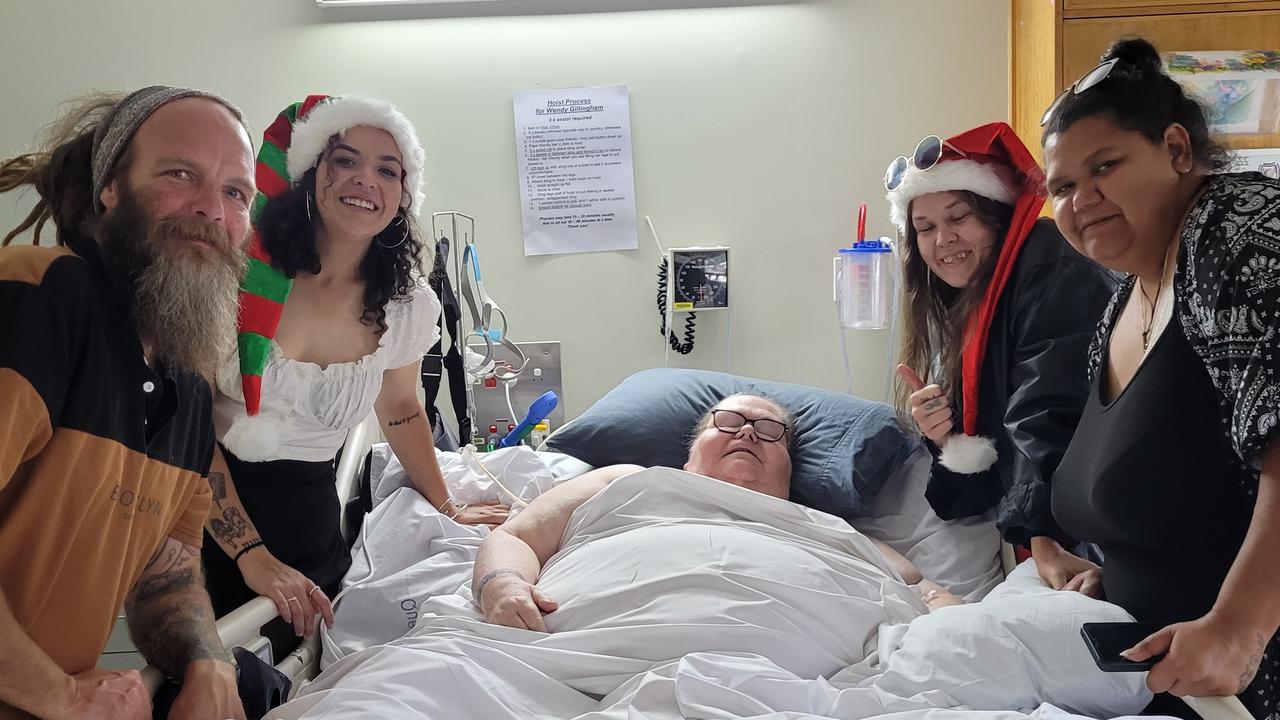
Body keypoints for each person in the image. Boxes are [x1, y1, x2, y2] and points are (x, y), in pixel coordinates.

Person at [202, 95, 508, 645]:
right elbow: (184, 432)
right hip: (204, 521)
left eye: (387, 170)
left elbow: (399, 408)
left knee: (307, 673)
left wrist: (450, 505)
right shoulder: (232, 278)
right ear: (311, 173)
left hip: (312, 529)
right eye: (345, 160)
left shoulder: (405, 305)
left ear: (402, 196)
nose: (365, 179)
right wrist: (250, 555)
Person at [1041, 37, 1278, 719]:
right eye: (1062, 188)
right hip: (1154, 679)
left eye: (1104, 167)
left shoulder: (1238, 229)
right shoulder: (1125, 298)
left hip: (1243, 685)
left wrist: (1241, 627)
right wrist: (1107, 564)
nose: (1082, 200)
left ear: (1176, 149)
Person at [0, 87, 249, 719]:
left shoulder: (187, 391)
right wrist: (59, 697)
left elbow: (165, 573)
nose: (210, 211)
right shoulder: (36, 304)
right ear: (110, 187)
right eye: (179, 174)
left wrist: (206, 658)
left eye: (235, 192)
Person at [473, 393, 960, 631]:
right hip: (573, 645)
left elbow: (924, 592)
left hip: (783, 673)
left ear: (791, 469)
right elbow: (517, 536)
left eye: (770, 431)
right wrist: (501, 586)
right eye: (727, 423)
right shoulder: (625, 479)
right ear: (687, 455)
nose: (747, 433)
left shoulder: (824, 528)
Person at [884, 122, 1116, 586]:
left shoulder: (1051, 265)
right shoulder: (967, 309)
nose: (942, 239)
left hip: (1091, 523)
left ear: (997, 214)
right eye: (925, 228)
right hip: (1040, 532)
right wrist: (945, 439)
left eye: (958, 218)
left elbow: (1049, 408)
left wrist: (1043, 539)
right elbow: (971, 495)